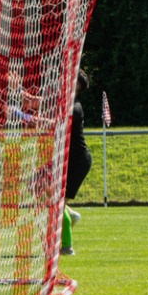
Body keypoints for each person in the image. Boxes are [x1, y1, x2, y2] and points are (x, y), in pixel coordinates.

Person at [61, 68, 91, 256]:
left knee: (57, 204)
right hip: (64, 159)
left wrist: (21, 116)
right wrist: (17, 92)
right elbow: (38, 103)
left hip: (77, 162)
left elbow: (50, 120)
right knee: (34, 183)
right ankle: (71, 215)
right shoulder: (64, 102)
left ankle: (66, 246)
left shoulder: (74, 108)